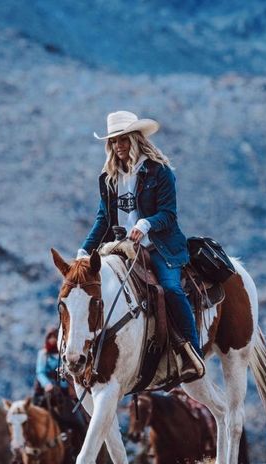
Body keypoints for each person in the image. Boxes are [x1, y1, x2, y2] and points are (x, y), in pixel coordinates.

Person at [77, 110, 205, 381]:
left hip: (159, 246)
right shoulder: (108, 178)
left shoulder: (159, 172)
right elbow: (103, 219)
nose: (119, 146)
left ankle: (192, 353)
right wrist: (83, 252)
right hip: (120, 247)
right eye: (114, 141)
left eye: (124, 140)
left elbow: (169, 214)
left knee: (170, 288)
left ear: (136, 139)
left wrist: (145, 224)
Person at [34, 329, 87, 437]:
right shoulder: (43, 354)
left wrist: (66, 386)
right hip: (47, 390)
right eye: (50, 337)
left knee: (77, 417)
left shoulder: (64, 353)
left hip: (64, 390)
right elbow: (40, 372)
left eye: (55, 337)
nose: (52, 339)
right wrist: (47, 384)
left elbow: (68, 371)